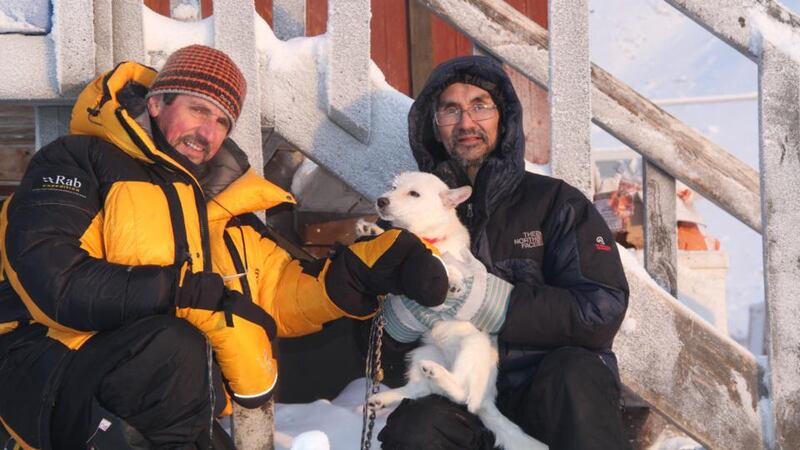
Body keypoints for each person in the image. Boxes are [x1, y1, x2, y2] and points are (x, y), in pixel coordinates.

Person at [0, 45, 448, 449]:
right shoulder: (77, 161)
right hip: (51, 372)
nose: (208, 131)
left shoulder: (219, 200)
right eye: (198, 109)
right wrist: (179, 292)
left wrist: (361, 269)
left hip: (166, 400)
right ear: (156, 104)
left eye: (222, 121)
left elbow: (276, 292)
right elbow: (54, 282)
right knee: (175, 343)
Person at [376, 55, 631, 450]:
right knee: (416, 429)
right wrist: (399, 319)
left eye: (480, 105)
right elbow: (377, 353)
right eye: (450, 109)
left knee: (577, 376)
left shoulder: (557, 203)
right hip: (459, 391)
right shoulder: (401, 218)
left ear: (504, 118)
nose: (466, 122)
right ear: (433, 124)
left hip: (545, 386)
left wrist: (497, 304)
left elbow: (601, 309)